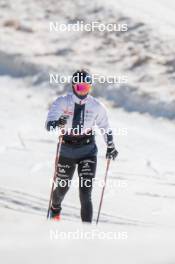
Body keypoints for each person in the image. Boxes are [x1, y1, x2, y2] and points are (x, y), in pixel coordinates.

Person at [45, 69, 118, 222]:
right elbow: (49, 125)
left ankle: (87, 234)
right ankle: (55, 208)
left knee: (85, 193)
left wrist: (110, 146)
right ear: (73, 87)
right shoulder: (62, 101)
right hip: (67, 150)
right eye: (80, 87)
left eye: (87, 88)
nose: (83, 91)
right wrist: (57, 123)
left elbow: (105, 127)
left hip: (87, 151)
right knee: (62, 188)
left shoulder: (96, 106)